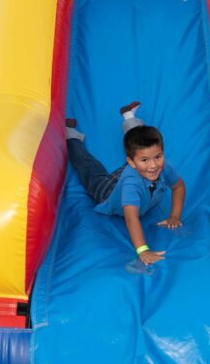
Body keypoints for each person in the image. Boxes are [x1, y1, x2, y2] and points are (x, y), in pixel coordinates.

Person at [65, 102, 186, 265]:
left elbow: (178, 186)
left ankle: (129, 117)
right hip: (107, 191)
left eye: (158, 156)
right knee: (90, 168)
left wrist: (175, 216)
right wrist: (143, 250)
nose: (154, 165)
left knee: (140, 144)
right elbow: (131, 218)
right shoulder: (131, 185)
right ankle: (71, 137)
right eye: (145, 160)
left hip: (136, 172)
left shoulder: (162, 166)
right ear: (131, 162)